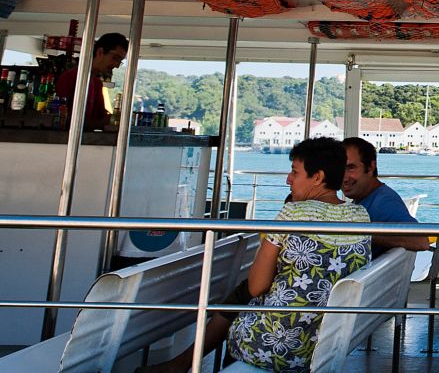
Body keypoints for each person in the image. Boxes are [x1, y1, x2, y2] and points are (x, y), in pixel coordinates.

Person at [140, 137, 370, 373]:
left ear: (318, 177)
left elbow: (257, 286)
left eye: (295, 172)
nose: (288, 179)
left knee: (242, 302)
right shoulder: (360, 215)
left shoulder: (292, 213)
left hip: (274, 346)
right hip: (325, 341)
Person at [342, 137, 430, 253]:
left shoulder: (384, 202)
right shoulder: (369, 198)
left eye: (351, 168)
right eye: (339, 169)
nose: (344, 177)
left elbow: (420, 241)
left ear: (370, 167)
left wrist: (358, 235)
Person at [54, 32, 128, 131]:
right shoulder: (70, 78)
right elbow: (62, 119)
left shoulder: (97, 84)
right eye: (115, 58)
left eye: (120, 61)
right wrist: (105, 121)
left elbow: (100, 117)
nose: (117, 65)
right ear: (100, 52)